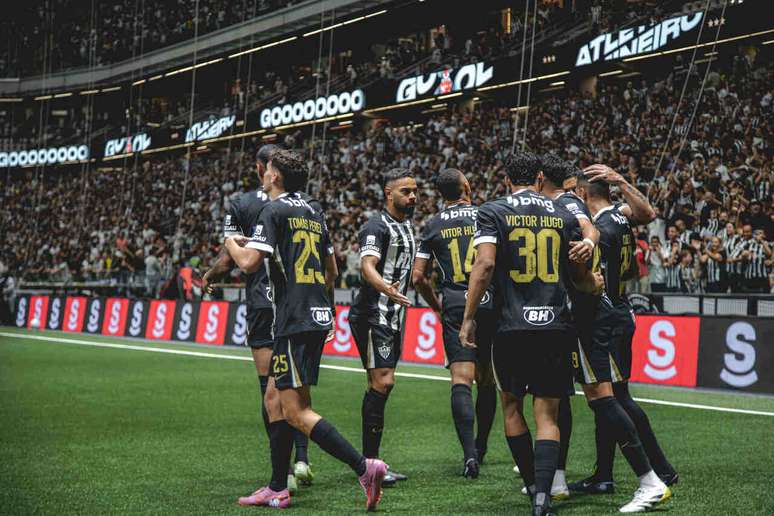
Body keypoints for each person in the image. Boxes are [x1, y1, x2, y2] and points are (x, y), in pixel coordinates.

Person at [225, 149, 387, 510]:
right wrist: (324, 306)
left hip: (293, 319)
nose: (263, 175)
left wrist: (231, 244)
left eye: (267, 170)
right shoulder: (313, 211)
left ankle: (364, 467)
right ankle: (277, 486)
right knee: (274, 399)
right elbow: (331, 267)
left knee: (295, 410)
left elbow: (250, 263)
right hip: (313, 315)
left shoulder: (273, 209)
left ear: (275, 177)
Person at [459, 150, 603, 516]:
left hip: (509, 327)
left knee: (511, 407)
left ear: (507, 179)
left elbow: (485, 263)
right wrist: (594, 284)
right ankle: (544, 499)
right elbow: (578, 272)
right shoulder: (561, 212)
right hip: (555, 325)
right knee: (548, 415)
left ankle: (532, 483)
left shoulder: (492, 210)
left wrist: (469, 317)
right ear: (540, 178)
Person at [203, 144, 314, 494]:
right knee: (295, 385)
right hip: (299, 302)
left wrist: (209, 277)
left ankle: (280, 475)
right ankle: (301, 459)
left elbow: (233, 256)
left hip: (263, 303)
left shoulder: (243, 203)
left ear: (261, 168)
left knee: (268, 387)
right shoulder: (304, 204)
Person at [568, 166, 675, 513]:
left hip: (605, 316)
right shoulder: (619, 215)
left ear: (583, 194)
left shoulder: (597, 229)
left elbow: (590, 279)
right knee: (614, 396)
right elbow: (648, 213)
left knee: (612, 398)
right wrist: (623, 182)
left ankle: (658, 471)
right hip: (622, 311)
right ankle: (605, 474)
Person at [411, 168, 497, 479]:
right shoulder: (487, 214)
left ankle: (469, 456)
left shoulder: (432, 225)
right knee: (488, 380)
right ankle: (483, 446)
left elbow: (418, 276)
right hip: (490, 301)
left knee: (462, 379)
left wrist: (437, 307)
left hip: (457, 305)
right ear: (466, 186)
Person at [535, 155, 599, 500]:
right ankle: (556, 469)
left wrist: (588, 243)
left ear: (542, 178)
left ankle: (650, 474)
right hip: (566, 311)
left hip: (576, 313)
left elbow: (588, 230)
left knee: (595, 398)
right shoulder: (555, 205)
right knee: (560, 398)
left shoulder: (567, 203)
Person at [348, 168, 417, 486]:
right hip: (374, 315)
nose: (412, 196)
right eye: (406, 191)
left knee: (379, 385)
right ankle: (370, 467)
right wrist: (386, 289)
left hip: (393, 317)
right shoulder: (376, 226)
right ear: (389, 194)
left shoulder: (407, 226)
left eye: (415, 190)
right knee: (383, 382)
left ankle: (368, 463)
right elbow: (367, 266)